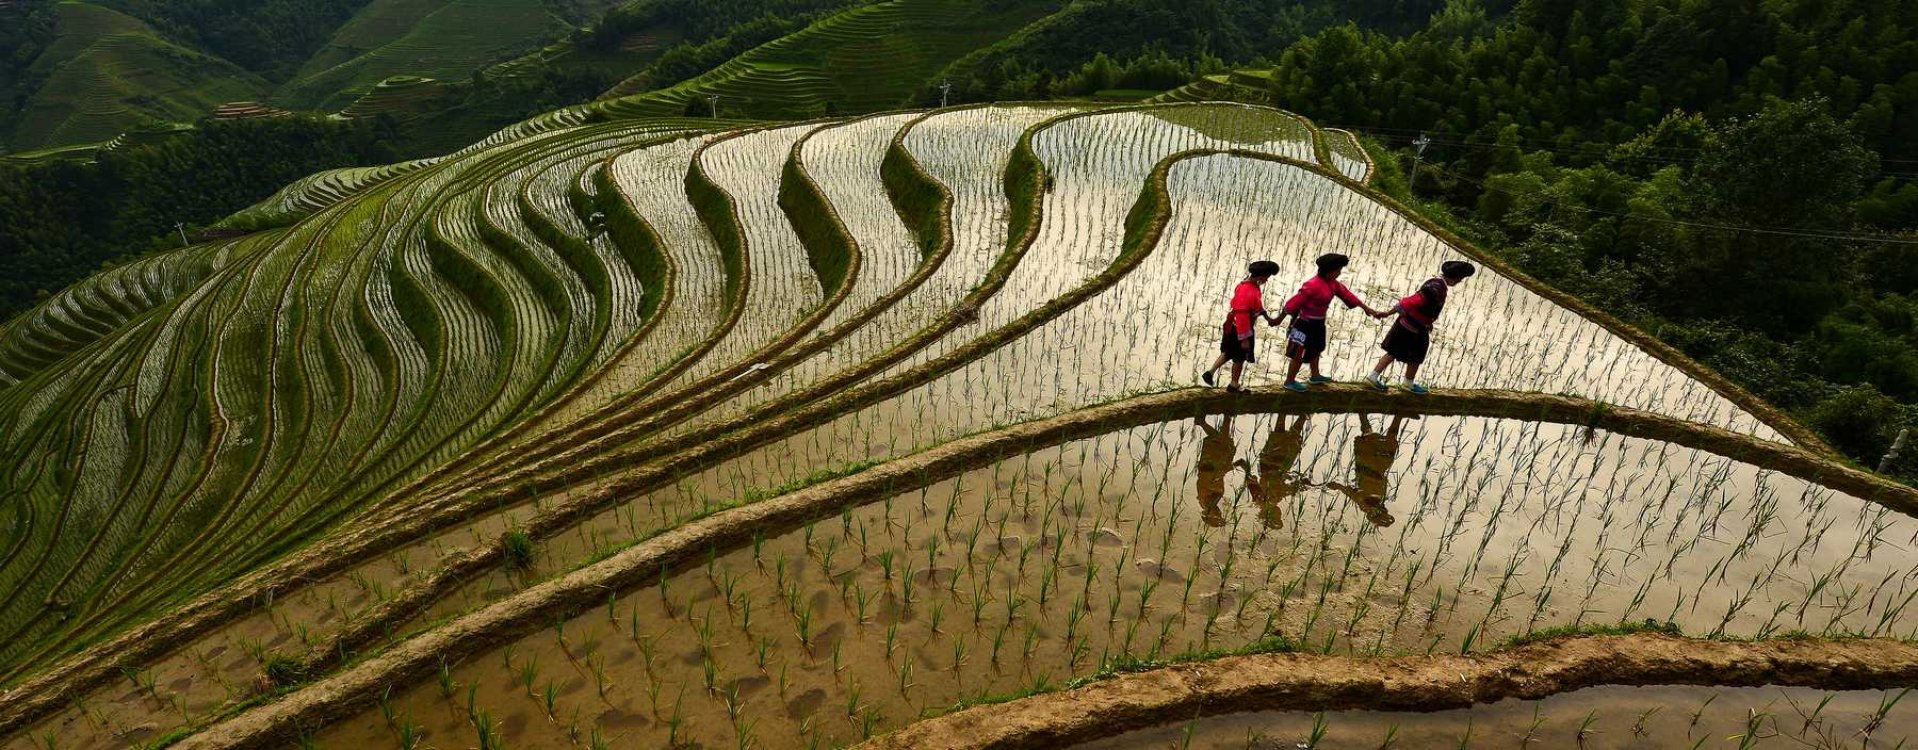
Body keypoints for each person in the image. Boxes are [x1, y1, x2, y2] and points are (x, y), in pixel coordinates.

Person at [1273, 253, 1386, 392]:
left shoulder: (1333, 284)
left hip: (1318, 323)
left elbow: (1348, 295)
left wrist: (1367, 309)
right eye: (1337, 270)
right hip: (1304, 323)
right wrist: (1279, 318)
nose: (1339, 273)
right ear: (1328, 271)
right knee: (1298, 353)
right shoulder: (1312, 285)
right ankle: (1289, 381)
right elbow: (1294, 303)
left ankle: (1315, 376)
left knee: (1316, 348)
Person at [1366, 260, 1477, 394]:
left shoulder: (1435, 283)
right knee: (1417, 355)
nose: (1460, 281)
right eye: (1461, 278)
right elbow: (1410, 302)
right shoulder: (1436, 288)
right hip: (1413, 327)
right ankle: (1408, 384)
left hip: (1408, 324)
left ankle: (1373, 377)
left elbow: (1424, 307)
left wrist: (1429, 322)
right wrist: (1388, 313)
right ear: (1456, 278)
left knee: (1394, 352)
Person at [1201, 261, 1283, 393]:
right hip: (1241, 329)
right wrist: (1244, 338)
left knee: (1228, 353)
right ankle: (1234, 385)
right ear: (1261, 276)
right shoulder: (1248, 291)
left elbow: (1256, 305)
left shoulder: (1247, 285)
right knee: (1240, 357)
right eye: (1267, 277)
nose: (1267, 280)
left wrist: (1267, 317)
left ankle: (1209, 373)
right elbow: (1242, 316)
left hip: (1233, 326)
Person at [1327, 414, 1410, 527]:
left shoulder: (1363, 502)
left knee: (1369, 436)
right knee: (1390, 441)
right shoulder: (1379, 498)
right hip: (1379, 467)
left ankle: (1363, 413)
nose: (1375, 509)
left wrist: (1337, 486)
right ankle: (1398, 415)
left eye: (1376, 512)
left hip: (1368, 464)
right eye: (1381, 510)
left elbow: (1349, 492)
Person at [1241, 414, 1313, 529]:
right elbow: (1283, 489)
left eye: (1278, 516)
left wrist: (1243, 466)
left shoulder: (1261, 499)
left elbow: (1252, 480)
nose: (1280, 514)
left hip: (1271, 464)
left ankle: (1295, 411)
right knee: (1289, 437)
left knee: (1283, 435)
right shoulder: (1270, 500)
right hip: (1277, 466)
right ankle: (1299, 412)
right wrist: (1300, 486)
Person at [1192, 415, 1246, 527]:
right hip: (1214, 466)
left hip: (1212, 466)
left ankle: (1226, 416)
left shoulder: (1207, 503)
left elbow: (1211, 482)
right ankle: (1204, 422)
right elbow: (1218, 478)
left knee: (1222, 441)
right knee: (1221, 440)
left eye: (1217, 515)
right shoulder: (1208, 502)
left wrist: (1232, 466)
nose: (1219, 512)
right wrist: (1234, 466)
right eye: (1220, 514)